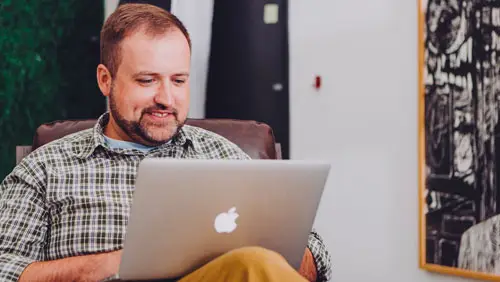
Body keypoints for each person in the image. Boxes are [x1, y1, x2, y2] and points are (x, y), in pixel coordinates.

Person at [0, 3, 332, 282]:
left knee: (255, 263)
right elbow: (4, 267)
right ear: (106, 80)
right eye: (147, 80)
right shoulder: (46, 167)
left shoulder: (223, 156)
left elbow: (316, 258)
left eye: (179, 80)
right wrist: (108, 264)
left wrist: (255, 250)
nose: (166, 98)